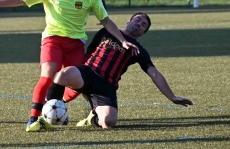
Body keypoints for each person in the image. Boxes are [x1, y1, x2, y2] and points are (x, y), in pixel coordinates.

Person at [0, 0, 139, 132]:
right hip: (53, 39)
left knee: (81, 85)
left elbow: (106, 21)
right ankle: (34, 118)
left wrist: (122, 40)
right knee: (48, 76)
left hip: (76, 44)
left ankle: (61, 108)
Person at [44, 12, 193, 131]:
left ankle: (93, 118)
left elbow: (154, 73)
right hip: (88, 73)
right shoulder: (106, 32)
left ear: (143, 33)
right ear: (129, 20)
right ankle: (48, 115)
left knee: (109, 122)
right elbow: (88, 53)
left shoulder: (138, 50)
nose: (139, 23)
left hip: (106, 87)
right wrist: (78, 72)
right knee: (64, 74)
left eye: (143, 25)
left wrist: (172, 97)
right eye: (138, 19)